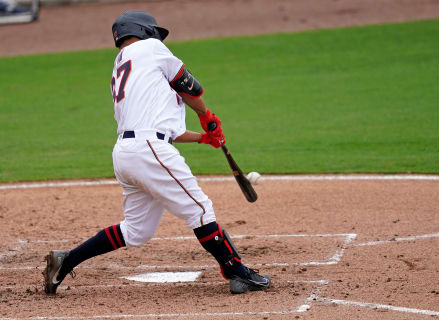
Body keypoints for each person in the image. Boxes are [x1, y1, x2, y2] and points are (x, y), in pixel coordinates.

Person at [43, 10, 270, 296]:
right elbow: (190, 86)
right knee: (200, 210)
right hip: (149, 151)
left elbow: (165, 130)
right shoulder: (150, 48)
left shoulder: (122, 67)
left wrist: (204, 138)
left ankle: (66, 261)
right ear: (143, 30)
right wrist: (207, 115)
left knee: (137, 231)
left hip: (127, 154)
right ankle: (238, 272)